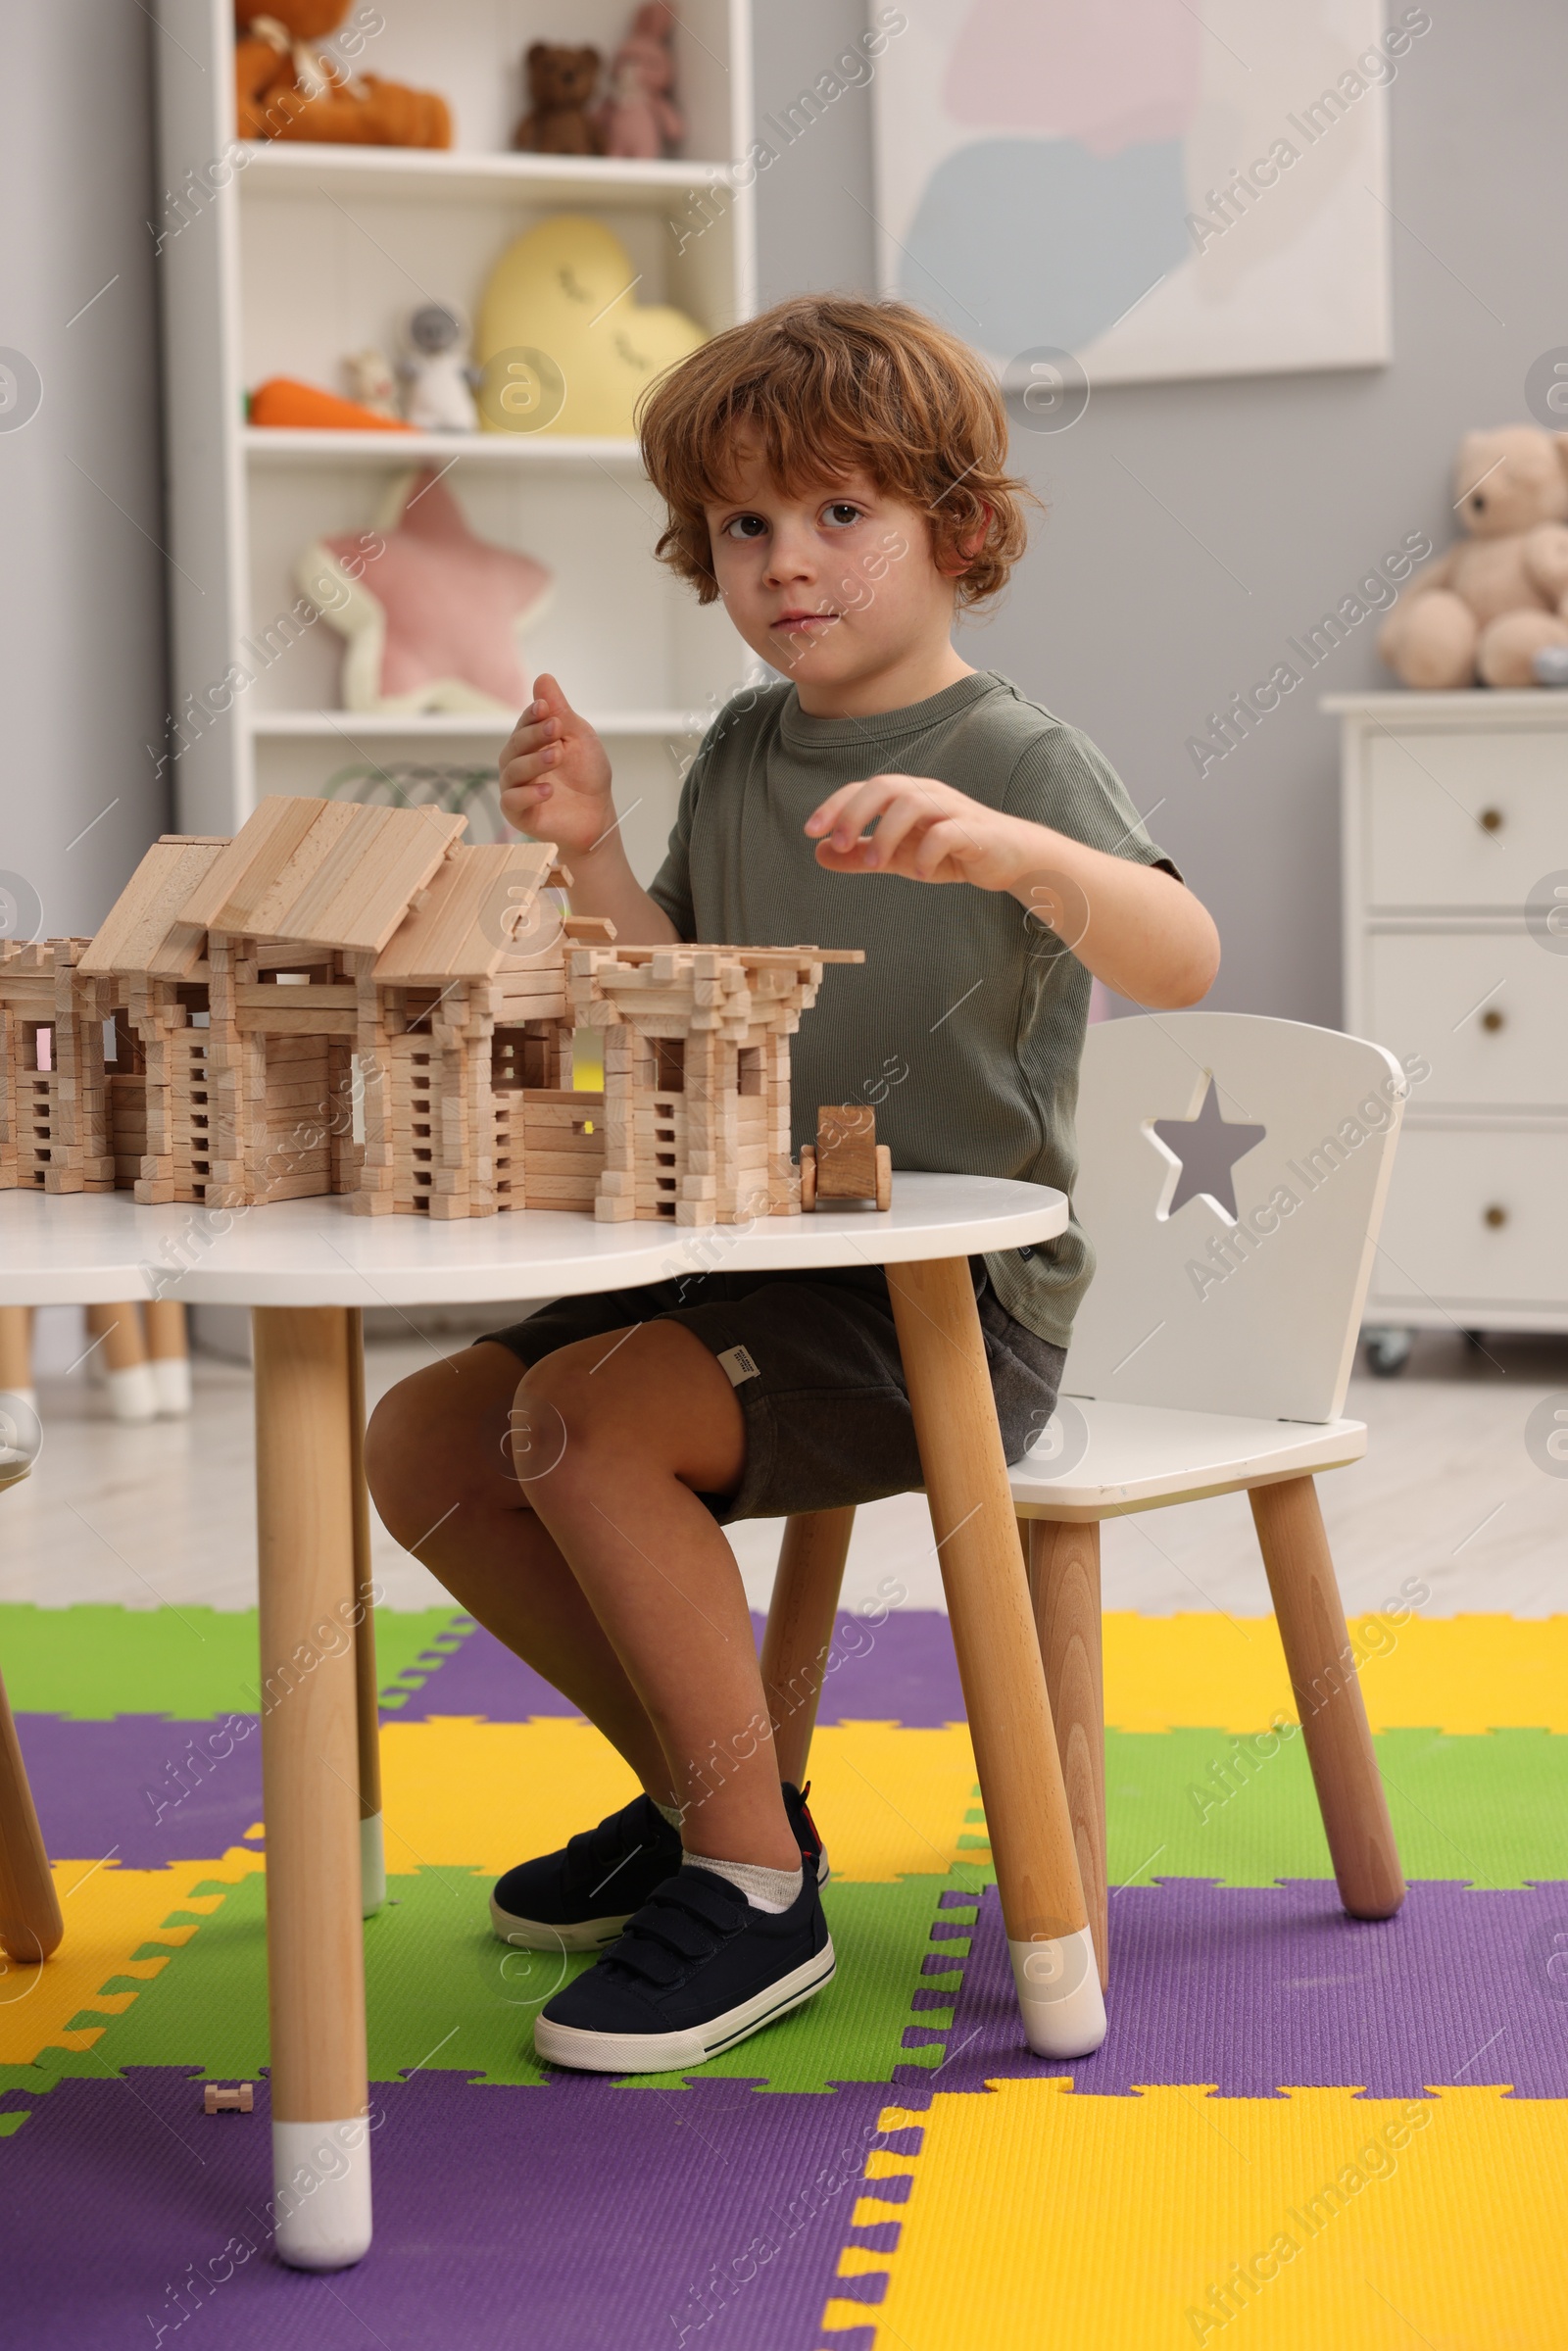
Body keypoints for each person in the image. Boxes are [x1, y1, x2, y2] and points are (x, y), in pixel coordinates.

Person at [366, 294, 1220, 2077]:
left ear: (957, 532)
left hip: (945, 1309)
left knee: (586, 1424)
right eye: (747, 526)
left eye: (841, 515)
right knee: (422, 1442)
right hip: (746, 1248)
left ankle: (755, 1882)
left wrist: (1019, 854)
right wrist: (589, 843)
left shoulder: (1015, 759)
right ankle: (707, 1797)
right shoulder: (751, 747)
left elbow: (1187, 953)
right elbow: (671, 973)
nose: (786, 562)